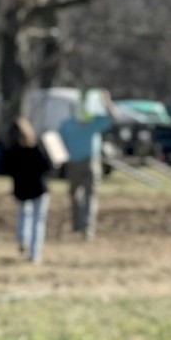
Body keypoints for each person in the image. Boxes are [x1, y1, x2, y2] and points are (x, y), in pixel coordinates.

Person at [56, 89, 109, 239]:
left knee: (85, 196)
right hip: (77, 163)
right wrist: (107, 103)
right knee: (81, 196)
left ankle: (84, 228)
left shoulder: (89, 122)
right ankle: (82, 227)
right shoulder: (73, 124)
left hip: (86, 163)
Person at [2, 117, 51, 264]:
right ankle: (34, 254)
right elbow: (47, 166)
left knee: (24, 215)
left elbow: (6, 169)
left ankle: (23, 239)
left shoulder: (11, 151)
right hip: (39, 189)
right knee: (38, 221)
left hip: (21, 189)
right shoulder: (35, 148)